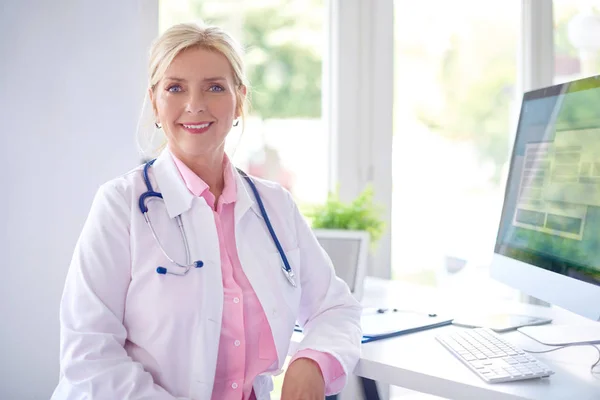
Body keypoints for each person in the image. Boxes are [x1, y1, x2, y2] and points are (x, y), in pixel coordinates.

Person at [52, 22, 362, 400]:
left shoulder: (274, 206)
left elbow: (337, 308)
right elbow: (89, 353)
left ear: (240, 100)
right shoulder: (120, 205)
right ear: (154, 101)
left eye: (215, 87)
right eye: (175, 88)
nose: (194, 105)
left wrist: (312, 362)